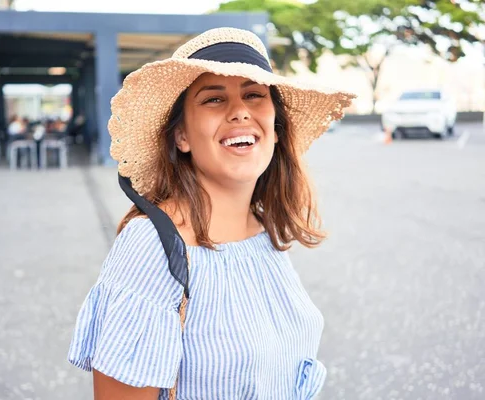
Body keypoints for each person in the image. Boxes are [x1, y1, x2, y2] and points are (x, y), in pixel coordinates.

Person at [68, 27, 355, 399]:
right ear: (181, 136)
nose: (240, 112)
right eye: (213, 100)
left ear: (276, 128)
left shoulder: (264, 229)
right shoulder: (151, 248)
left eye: (254, 95)